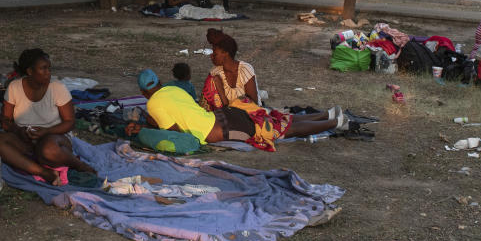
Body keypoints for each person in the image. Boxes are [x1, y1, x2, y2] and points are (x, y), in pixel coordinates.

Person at [127, 70, 345, 152]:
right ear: (159, 82)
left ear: (142, 92)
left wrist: (145, 130)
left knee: (279, 131)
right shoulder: (172, 89)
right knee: (278, 120)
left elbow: (174, 132)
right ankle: (327, 114)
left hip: (223, 129)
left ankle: (334, 123)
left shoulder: (152, 105)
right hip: (224, 116)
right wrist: (149, 124)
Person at [0, 49, 95, 185]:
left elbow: (70, 122)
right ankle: (44, 172)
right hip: (25, 139)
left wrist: (46, 131)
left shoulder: (57, 88)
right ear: (29, 71)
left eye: (49, 68)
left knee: (48, 150)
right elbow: (5, 121)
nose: (48, 73)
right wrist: (19, 131)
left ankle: (79, 164)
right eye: (43, 69)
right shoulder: (14, 87)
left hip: (55, 138)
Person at [201, 31, 260, 107]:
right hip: (229, 115)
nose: (211, 56)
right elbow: (210, 105)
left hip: (249, 114)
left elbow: (253, 104)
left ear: (226, 53)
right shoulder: (214, 73)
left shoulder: (245, 69)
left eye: (215, 54)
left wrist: (220, 89)